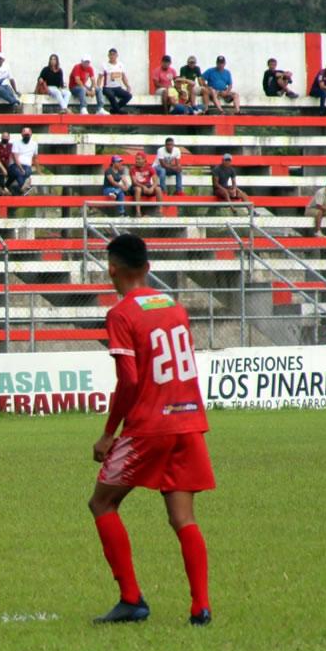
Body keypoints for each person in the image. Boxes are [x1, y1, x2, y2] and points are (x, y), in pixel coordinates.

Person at [88, 233, 213, 626]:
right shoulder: (173, 307)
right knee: (183, 517)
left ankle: (131, 598)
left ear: (111, 268)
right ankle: (200, 607)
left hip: (149, 426)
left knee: (102, 503)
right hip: (188, 421)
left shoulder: (121, 313)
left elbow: (128, 380)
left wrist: (109, 433)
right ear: (148, 267)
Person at [98, 48, 131, 114]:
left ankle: (114, 110)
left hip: (117, 87)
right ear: (108, 56)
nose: (112, 56)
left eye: (113, 55)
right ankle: (118, 111)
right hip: (107, 87)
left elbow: (123, 77)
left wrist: (127, 85)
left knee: (128, 96)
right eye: (110, 55)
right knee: (111, 95)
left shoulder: (120, 65)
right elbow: (100, 77)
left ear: (117, 55)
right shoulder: (104, 65)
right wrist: (98, 87)